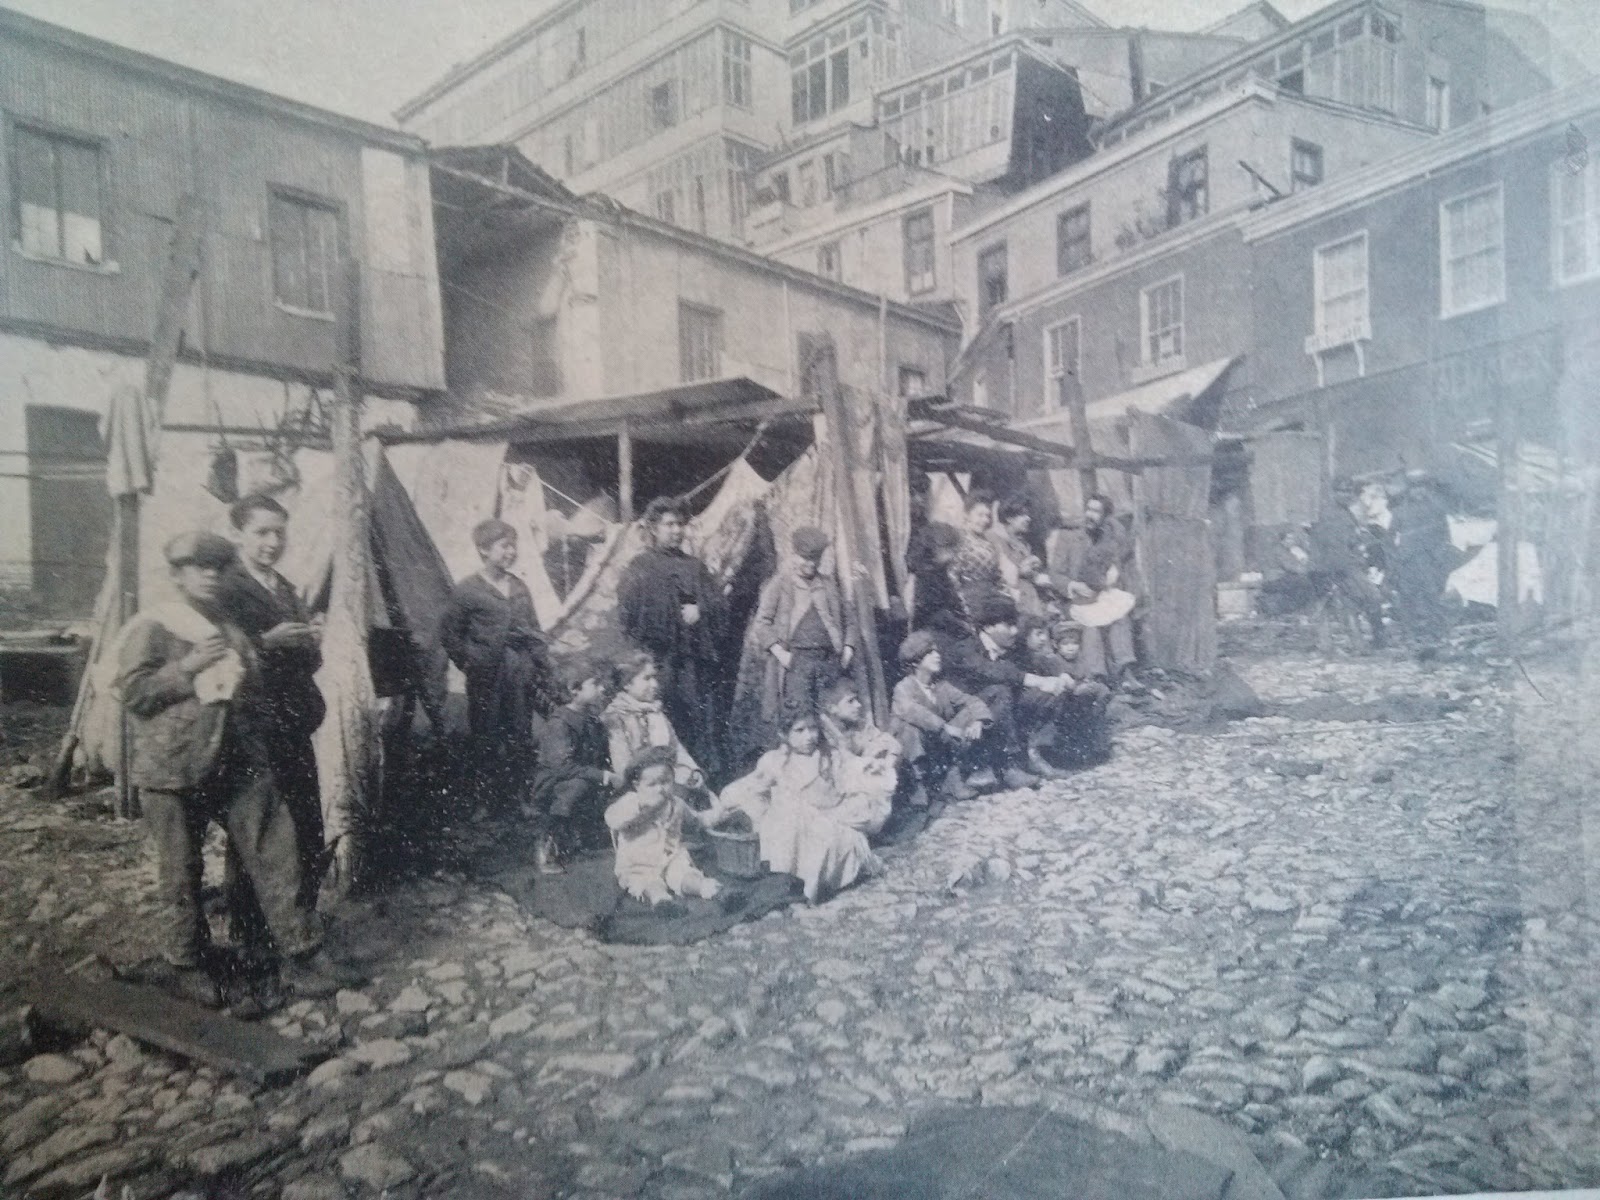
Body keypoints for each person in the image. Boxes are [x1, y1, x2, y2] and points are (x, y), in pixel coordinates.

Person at [115, 531, 343, 1008]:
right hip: (173, 766)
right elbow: (133, 693)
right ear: (177, 575)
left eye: (218, 568)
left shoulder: (231, 624)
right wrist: (187, 668)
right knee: (181, 869)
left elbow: (252, 684)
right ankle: (185, 963)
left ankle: (301, 953)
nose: (210, 576)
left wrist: (256, 736)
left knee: (277, 851)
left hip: (236, 758)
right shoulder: (153, 625)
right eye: (198, 568)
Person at [215, 494, 327, 967]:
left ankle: (296, 922)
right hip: (252, 728)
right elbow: (222, 655)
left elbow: (309, 662)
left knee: (304, 824)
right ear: (238, 534)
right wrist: (266, 642)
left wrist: (311, 639)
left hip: (293, 723)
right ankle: (252, 934)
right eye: (262, 532)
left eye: (280, 532)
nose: (272, 542)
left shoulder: (283, 586)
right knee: (260, 832)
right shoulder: (225, 589)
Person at [440, 518, 555, 804]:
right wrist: (469, 662)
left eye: (513, 546)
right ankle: (486, 801)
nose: (511, 552)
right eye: (504, 546)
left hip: (519, 672)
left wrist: (538, 663)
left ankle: (521, 797)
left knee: (520, 733)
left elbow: (534, 628)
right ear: (483, 550)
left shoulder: (519, 587)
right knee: (485, 735)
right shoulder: (468, 590)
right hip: (486, 675)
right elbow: (449, 633)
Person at [711, 712, 882, 904]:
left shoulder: (828, 757)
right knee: (785, 809)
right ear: (784, 734)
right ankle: (793, 880)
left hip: (829, 819)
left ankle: (812, 887)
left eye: (813, 729)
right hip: (794, 825)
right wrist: (729, 798)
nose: (809, 736)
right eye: (799, 730)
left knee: (822, 832)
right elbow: (751, 784)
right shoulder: (775, 760)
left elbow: (846, 791)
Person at [617, 496, 728, 783]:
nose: (676, 531)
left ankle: (699, 779)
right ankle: (659, 780)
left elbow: (717, 604)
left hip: (691, 661)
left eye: (680, 524)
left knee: (697, 718)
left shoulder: (694, 567)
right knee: (661, 719)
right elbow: (628, 611)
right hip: (658, 661)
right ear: (654, 528)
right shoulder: (640, 566)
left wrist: (699, 608)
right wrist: (669, 619)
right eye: (669, 524)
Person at [735, 526, 858, 761]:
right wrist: (780, 653)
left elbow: (849, 619)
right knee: (801, 717)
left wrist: (849, 648)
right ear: (793, 555)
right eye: (805, 559)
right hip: (796, 663)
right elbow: (762, 623)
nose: (810, 565)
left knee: (830, 716)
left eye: (815, 559)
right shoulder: (781, 584)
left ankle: (831, 766)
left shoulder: (829, 584)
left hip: (828, 662)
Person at [942, 595, 1076, 788]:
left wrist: (1061, 676)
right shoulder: (965, 648)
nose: (1014, 630)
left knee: (1047, 696)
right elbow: (990, 670)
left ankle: (1034, 754)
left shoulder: (1012, 646)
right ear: (988, 627)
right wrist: (1035, 680)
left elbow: (1038, 661)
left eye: (1015, 623)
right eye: (1008, 624)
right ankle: (1007, 766)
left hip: (998, 716)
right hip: (966, 722)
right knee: (1000, 691)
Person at [530, 654, 620, 874]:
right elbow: (562, 768)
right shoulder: (559, 724)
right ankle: (547, 845)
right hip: (552, 785)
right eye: (595, 684)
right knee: (577, 786)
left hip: (580, 777)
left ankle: (581, 837)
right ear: (574, 689)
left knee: (593, 785)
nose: (601, 689)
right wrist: (604, 776)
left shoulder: (590, 719)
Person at [605, 747, 722, 906]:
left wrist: (719, 813)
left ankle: (708, 889)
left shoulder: (676, 804)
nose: (660, 789)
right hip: (639, 863)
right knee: (649, 883)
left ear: (673, 779)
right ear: (637, 785)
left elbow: (697, 820)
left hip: (671, 858)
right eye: (652, 784)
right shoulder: (632, 802)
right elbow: (612, 819)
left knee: (685, 874)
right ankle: (661, 900)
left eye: (665, 782)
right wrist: (641, 807)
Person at [889, 631, 991, 804]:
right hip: (916, 752)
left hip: (941, 748)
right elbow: (912, 711)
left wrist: (978, 720)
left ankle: (952, 778)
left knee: (969, 712)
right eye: (930, 653)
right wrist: (944, 727)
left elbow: (970, 700)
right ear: (915, 660)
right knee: (908, 727)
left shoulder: (942, 686)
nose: (937, 656)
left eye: (936, 651)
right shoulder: (903, 687)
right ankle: (918, 786)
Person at [1047, 493, 1138, 685]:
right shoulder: (1068, 537)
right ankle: (1097, 676)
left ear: (1105, 518)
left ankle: (1125, 671)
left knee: (1120, 617)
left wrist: (1110, 579)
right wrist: (1073, 586)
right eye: (1088, 509)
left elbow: (1118, 563)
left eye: (1096, 512)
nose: (1090, 515)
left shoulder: (1108, 539)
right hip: (1074, 600)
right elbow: (1055, 574)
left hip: (1098, 597)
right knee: (1091, 626)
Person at [601, 650, 706, 797]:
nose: (654, 684)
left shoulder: (655, 711)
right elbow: (623, 767)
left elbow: (676, 748)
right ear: (627, 684)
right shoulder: (615, 718)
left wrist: (692, 770)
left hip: (672, 779)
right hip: (641, 789)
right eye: (647, 678)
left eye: (654, 678)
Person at [1308, 479, 1388, 648]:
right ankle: (1372, 640)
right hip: (1338, 567)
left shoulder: (1346, 513)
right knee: (1371, 597)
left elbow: (1350, 539)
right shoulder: (1330, 514)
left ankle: (1360, 644)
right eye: (1341, 491)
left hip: (1343, 565)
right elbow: (1332, 545)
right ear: (1333, 493)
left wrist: (1362, 540)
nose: (1345, 495)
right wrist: (1343, 570)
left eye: (1348, 491)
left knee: (1351, 605)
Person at [1388, 470, 1457, 658]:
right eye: (1414, 488)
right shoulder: (1400, 511)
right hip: (1407, 561)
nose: (1418, 492)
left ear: (1427, 489)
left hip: (1429, 560)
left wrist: (1440, 556)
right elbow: (1389, 537)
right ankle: (1409, 635)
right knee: (1407, 598)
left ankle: (1438, 634)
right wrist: (1395, 557)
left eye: (1422, 487)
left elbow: (1446, 536)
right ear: (1409, 490)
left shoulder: (1437, 510)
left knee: (1433, 596)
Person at [817, 682, 898, 835]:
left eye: (857, 700)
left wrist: (883, 760)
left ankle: (873, 828)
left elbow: (889, 743)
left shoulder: (857, 724)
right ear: (832, 708)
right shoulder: (823, 732)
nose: (858, 705)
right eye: (850, 701)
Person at [909, 522, 971, 643]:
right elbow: (936, 614)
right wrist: (963, 626)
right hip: (935, 635)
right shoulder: (927, 575)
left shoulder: (939, 571)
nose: (954, 555)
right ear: (934, 548)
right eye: (950, 550)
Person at [990, 495, 1051, 617]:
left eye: (1028, 514)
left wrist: (1035, 571)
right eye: (1022, 515)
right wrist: (1020, 571)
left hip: (1031, 603)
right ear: (1009, 518)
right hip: (1012, 606)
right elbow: (995, 575)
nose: (1028, 518)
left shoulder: (1024, 544)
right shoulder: (995, 540)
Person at [949, 490, 1006, 618]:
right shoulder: (958, 539)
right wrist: (961, 604)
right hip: (968, 602)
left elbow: (997, 575)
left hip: (990, 599)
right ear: (967, 515)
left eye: (988, 516)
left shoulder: (988, 543)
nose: (985, 520)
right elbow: (952, 576)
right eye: (980, 515)